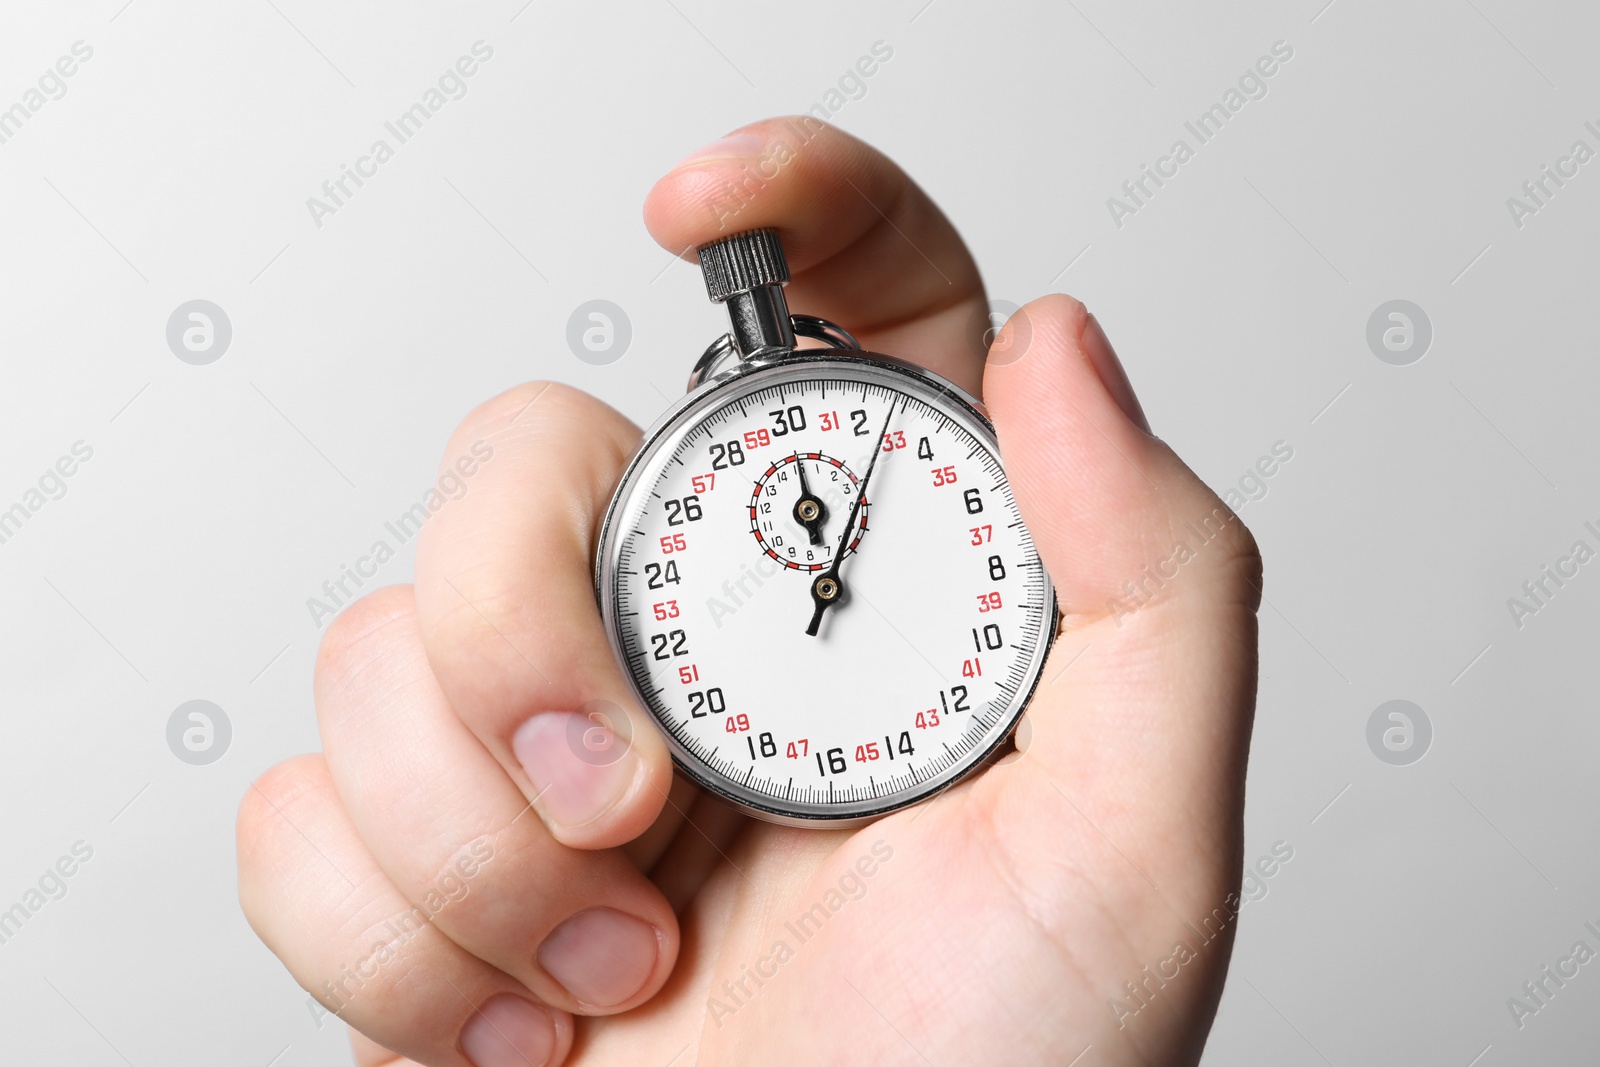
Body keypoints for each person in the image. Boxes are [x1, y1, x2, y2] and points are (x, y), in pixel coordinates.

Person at [237, 116, 1262, 1067]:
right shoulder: (688, 534)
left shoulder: (964, 486)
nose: (828, 573)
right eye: (823, 566)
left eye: (839, 561)